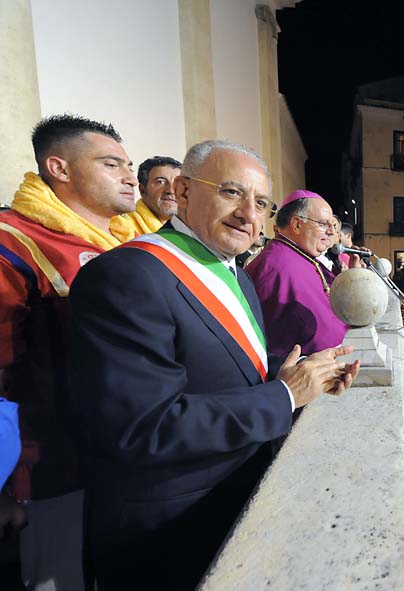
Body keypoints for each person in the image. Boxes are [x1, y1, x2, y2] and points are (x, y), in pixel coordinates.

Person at [66, 139, 360, 590]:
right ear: (182, 192)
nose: (248, 213)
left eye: (261, 202)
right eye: (230, 192)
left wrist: (302, 375)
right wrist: (285, 395)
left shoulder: (235, 271)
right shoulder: (125, 275)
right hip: (169, 532)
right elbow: (141, 427)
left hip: (230, 503)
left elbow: (228, 367)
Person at [0, 114, 139, 590]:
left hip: (117, 458)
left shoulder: (121, 243)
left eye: (129, 164)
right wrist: (8, 481)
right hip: (49, 468)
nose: (128, 176)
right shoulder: (12, 242)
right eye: (110, 163)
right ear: (59, 168)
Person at [245, 190, 354, 358]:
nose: (332, 232)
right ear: (296, 224)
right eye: (324, 224)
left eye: (333, 225)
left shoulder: (304, 255)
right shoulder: (276, 267)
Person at [125, 155, 181, 234]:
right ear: (142, 190)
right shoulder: (124, 229)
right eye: (161, 182)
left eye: (177, 184)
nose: (171, 190)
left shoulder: (189, 231)